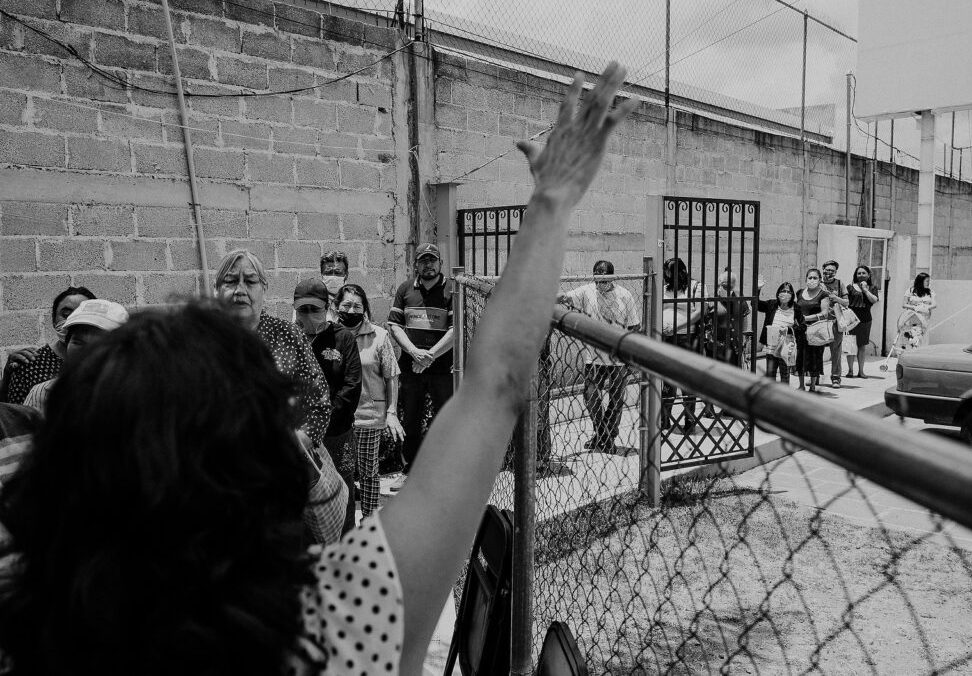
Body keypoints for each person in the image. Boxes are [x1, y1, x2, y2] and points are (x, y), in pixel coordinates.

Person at [0, 62, 636, 674]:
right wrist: (551, 203)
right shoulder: (341, 623)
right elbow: (496, 384)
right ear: (259, 477)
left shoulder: (30, 631)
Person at [215, 249, 332, 447]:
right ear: (216, 290)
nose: (240, 290)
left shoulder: (288, 335)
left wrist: (292, 447)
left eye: (251, 282)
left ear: (264, 288)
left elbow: (318, 403)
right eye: (231, 281)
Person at [293, 278, 362, 534]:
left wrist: (321, 423)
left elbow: (351, 386)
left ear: (328, 307)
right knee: (308, 496)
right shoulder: (290, 338)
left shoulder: (342, 339)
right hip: (301, 439)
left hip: (336, 434)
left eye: (315, 309)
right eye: (303, 310)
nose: (308, 315)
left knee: (341, 491)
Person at [337, 284, 404, 518]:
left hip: (368, 415)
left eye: (357, 305)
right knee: (340, 472)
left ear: (365, 308)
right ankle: (342, 522)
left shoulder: (379, 336)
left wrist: (392, 412)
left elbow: (391, 375)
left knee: (368, 473)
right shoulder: (331, 335)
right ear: (337, 307)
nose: (351, 309)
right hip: (338, 418)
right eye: (346, 305)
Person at [559, 259, 641, 451]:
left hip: (618, 357)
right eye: (597, 278)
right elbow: (564, 297)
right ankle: (602, 432)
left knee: (616, 400)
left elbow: (634, 327)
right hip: (594, 356)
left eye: (604, 279)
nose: (600, 283)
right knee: (590, 396)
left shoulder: (625, 295)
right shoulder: (587, 291)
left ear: (612, 277)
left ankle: (607, 438)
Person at [387, 242, 454, 472]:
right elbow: (394, 326)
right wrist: (414, 353)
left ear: (440, 263)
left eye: (432, 260)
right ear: (415, 265)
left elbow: (457, 330)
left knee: (444, 419)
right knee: (410, 420)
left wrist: (430, 356)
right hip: (410, 367)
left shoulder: (451, 290)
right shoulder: (405, 289)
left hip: (442, 368)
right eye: (423, 260)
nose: (428, 265)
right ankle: (410, 471)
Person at [22, 299, 129, 415]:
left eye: (98, 345)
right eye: (78, 342)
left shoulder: (138, 395)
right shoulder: (43, 393)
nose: (86, 352)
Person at [0, 286, 96, 405]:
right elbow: (14, 415)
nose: (73, 321)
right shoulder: (30, 362)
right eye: (65, 315)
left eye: (81, 314)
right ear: (53, 320)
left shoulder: (109, 362)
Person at [660, 258, 705, 435]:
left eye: (671, 272)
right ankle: (664, 419)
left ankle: (689, 420)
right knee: (667, 381)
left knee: (687, 381)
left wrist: (676, 327)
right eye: (666, 273)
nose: (668, 276)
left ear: (682, 272)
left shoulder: (695, 287)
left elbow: (700, 311)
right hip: (666, 338)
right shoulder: (665, 288)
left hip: (686, 337)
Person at [756, 280, 803, 385]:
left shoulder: (796, 308)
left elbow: (803, 326)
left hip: (786, 347)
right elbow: (755, 304)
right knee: (770, 375)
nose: (785, 294)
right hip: (771, 346)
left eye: (788, 292)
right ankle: (772, 398)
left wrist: (789, 329)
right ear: (778, 293)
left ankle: (783, 398)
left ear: (792, 295)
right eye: (783, 291)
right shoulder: (772, 304)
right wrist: (757, 289)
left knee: (785, 376)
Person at [795, 268, 831, 393]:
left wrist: (807, 318)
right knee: (800, 357)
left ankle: (813, 386)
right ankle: (801, 385)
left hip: (816, 331)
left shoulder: (823, 294)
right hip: (801, 331)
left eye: (815, 278)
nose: (812, 280)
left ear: (820, 280)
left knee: (815, 357)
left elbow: (825, 313)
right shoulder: (799, 293)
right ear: (806, 279)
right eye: (810, 277)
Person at [845, 265, 879, 378]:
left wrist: (865, 289)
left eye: (863, 273)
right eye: (859, 273)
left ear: (868, 275)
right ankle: (850, 370)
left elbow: (874, 300)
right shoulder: (850, 287)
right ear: (855, 275)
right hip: (851, 320)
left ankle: (861, 371)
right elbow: (845, 302)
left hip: (865, 320)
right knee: (850, 346)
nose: (861, 275)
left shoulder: (872, 288)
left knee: (861, 346)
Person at [820, 260, 849, 388]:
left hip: (835, 321)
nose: (829, 272)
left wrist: (836, 298)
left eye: (832, 270)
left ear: (836, 272)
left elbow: (846, 302)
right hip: (819, 321)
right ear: (823, 269)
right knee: (817, 349)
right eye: (827, 270)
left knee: (836, 350)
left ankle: (836, 378)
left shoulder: (839, 283)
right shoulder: (818, 283)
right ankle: (816, 376)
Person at [903, 272, 937, 345]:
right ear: (921, 281)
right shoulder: (910, 290)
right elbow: (904, 304)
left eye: (929, 281)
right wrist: (915, 308)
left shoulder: (930, 292)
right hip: (913, 320)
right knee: (913, 341)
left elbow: (934, 304)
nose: (929, 283)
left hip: (925, 321)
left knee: (923, 341)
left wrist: (925, 307)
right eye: (927, 281)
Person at [320, 250, 349, 323]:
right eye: (328, 273)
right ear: (322, 275)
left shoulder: (355, 301)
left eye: (337, 273)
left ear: (346, 275)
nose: (333, 277)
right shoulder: (311, 301)